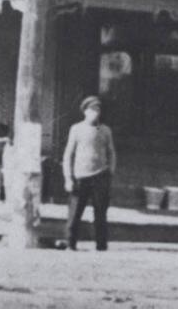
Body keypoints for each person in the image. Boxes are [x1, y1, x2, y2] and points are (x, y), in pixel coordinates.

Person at [62, 95, 117, 251]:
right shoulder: (76, 129)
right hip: (80, 177)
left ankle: (101, 246)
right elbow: (68, 155)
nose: (95, 113)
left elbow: (111, 152)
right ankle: (70, 244)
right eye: (92, 110)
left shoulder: (106, 130)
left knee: (100, 214)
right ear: (85, 111)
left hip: (100, 176)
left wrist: (110, 170)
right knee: (74, 213)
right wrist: (68, 178)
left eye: (98, 109)